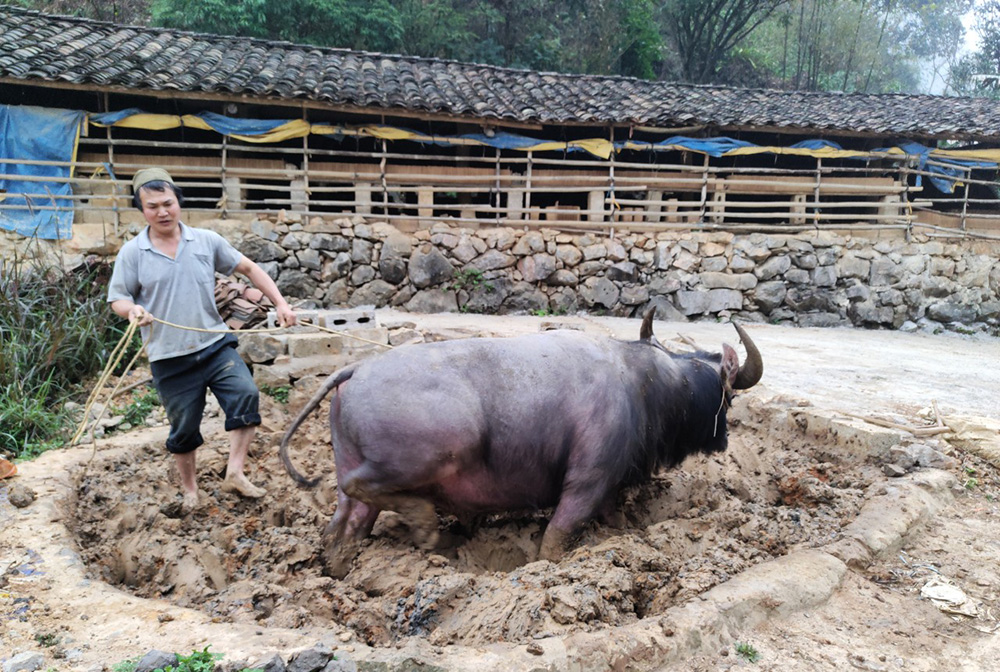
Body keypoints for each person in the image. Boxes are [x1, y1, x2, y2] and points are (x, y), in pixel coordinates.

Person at [107, 168, 297, 513]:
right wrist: (132, 309)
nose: (162, 212)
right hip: (168, 356)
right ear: (141, 209)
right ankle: (190, 490)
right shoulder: (133, 253)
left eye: (168, 203)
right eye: (153, 207)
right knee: (184, 428)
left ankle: (235, 472)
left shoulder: (206, 241)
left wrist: (280, 302)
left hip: (213, 345)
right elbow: (117, 298)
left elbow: (250, 269)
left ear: (178, 200)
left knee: (245, 395)